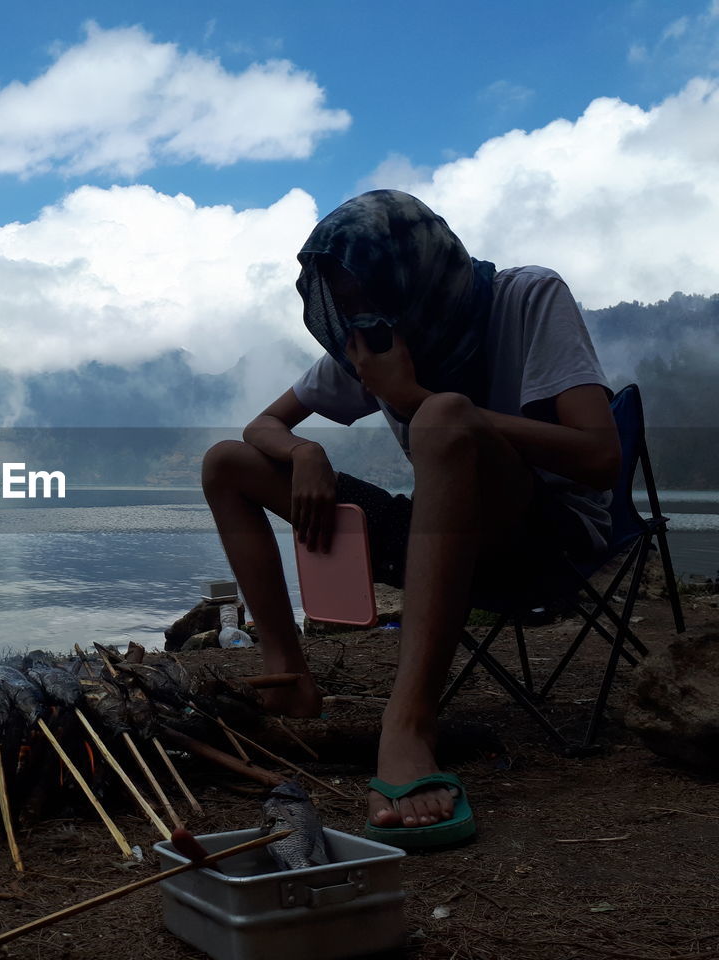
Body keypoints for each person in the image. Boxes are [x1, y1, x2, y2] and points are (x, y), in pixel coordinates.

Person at [201, 190, 620, 848]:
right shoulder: (372, 347)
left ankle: (411, 724)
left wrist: (415, 399)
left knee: (444, 416)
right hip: (441, 538)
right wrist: (304, 450)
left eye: (368, 297)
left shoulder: (528, 299)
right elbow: (262, 426)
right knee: (227, 463)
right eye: (344, 305)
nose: (360, 325)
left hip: (544, 541)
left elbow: (600, 457)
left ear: (417, 275)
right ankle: (290, 679)